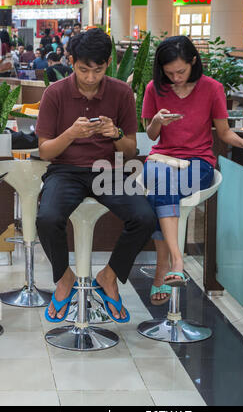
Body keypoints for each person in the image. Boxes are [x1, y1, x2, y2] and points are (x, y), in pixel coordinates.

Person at [141, 35, 243, 305]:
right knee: (161, 183)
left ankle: (165, 266)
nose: (176, 77)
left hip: (199, 161)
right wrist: (157, 120)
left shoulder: (212, 88)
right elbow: (151, 136)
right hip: (162, 158)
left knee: (162, 190)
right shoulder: (154, 89)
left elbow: (225, 133)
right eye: (169, 73)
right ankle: (176, 263)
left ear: (194, 61)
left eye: (181, 71)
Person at [36, 28, 156, 323]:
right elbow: (46, 152)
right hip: (65, 171)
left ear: (108, 63)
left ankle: (109, 276)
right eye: (83, 69)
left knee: (144, 217)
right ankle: (65, 279)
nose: (91, 78)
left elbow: (129, 150)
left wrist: (113, 132)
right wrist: (70, 134)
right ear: (72, 60)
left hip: (109, 169)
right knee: (47, 219)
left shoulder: (121, 92)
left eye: (98, 70)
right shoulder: (55, 93)